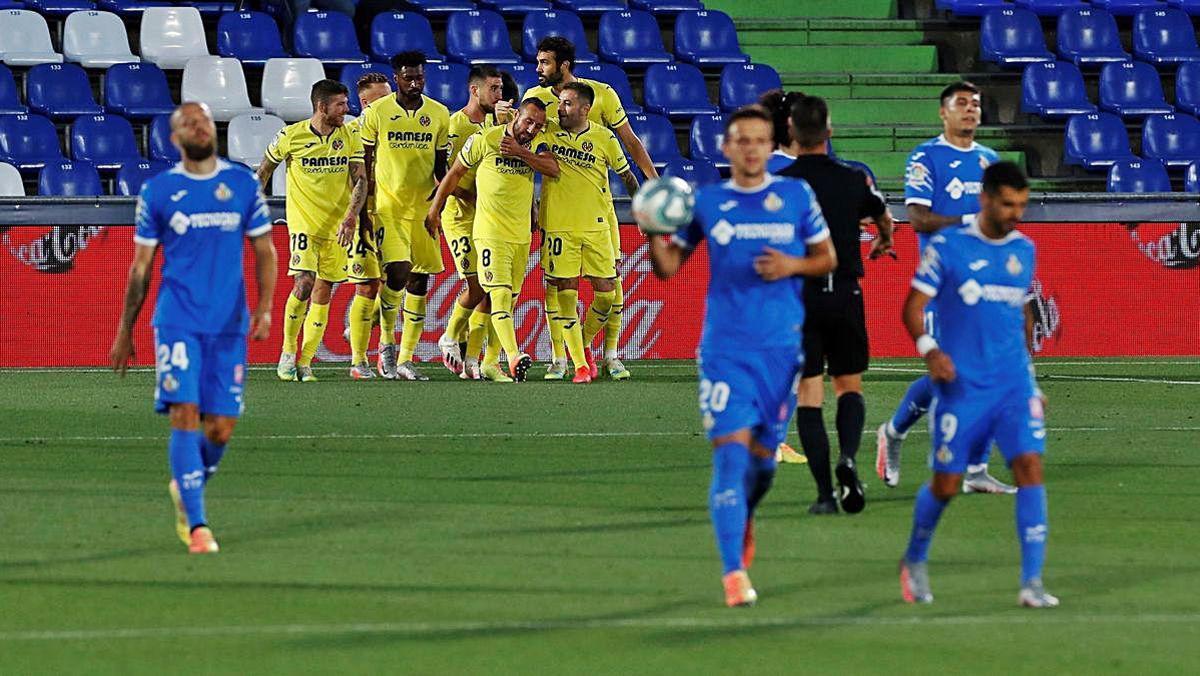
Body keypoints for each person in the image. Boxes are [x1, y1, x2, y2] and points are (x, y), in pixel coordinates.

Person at [646, 107, 837, 607]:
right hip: (725, 351)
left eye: (760, 140)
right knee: (730, 456)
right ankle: (734, 574)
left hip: (781, 351)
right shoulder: (709, 202)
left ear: (771, 147)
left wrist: (792, 263)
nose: (750, 148)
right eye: (741, 140)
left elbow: (827, 258)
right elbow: (668, 267)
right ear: (727, 148)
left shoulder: (795, 196)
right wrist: (650, 230)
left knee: (763, 467)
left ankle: (744, 515)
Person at [109, 102, 277, 554]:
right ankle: (198, 525)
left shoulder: (241, 183)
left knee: (221, 427)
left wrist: (264, 308)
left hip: (229, 323)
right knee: (185, 412)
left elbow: (264, 250)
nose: (198, 126)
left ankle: (186, 485)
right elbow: (140, 268)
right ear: (175, 139)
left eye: (202, 119)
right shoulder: (160, 191)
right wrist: (126, 330)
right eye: (188, 123)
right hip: (178, 320)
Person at [897, 161, 1057, 608]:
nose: (1016, 213)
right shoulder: (948, 247)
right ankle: (914, 558)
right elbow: (912, 307)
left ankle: (1032, 582)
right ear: (985, 199)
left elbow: (1019, 314)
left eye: (1022, 205)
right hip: (962, 387)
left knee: (1029, 467)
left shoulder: (1023, 250)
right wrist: (930, 350)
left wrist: (1031, 379)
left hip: (1012, 386)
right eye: (1008, 204)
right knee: (946, 485)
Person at [877, 81, 1015, 494]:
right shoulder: (926, 157)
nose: (971, 110)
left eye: (975, 104)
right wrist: (969, 224)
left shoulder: (991, 161)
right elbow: (917, 218)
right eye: (962, 104)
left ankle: (975, 470)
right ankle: (894, 431)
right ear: (943, 113)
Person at [776, 95, 895, 515]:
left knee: (809, 393)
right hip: (845, 293)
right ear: (829, 131)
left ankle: (825, 494)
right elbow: (883, 214)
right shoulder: (852, 180)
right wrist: (884, 240)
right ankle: (848, 458)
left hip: (800, 299)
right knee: (848, 386)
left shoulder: (784, 185)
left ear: (791, 132)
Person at [524, 36, 659, 381]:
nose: (538, 69)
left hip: (599, 211)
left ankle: (608, 354)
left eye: (545, 63)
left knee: (612, 287)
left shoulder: (601, 94)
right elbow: (525, 152)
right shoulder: (534, 99)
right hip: (557, 209)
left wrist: (653, 186)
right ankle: (560, 359)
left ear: (564, 65)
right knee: (555, 285)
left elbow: (630, 143)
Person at [426, 99, 560, 382]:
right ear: (516, 116)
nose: (532, 129)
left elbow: (552, 168)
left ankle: (487, 362)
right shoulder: (485, 139)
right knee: (497, 293)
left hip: (521, 235)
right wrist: (435, 210)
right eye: (528, 122)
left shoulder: (535, 145)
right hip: (490, 232)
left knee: (506, 300)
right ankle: (512, 355)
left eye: (537, 125)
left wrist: (521, 153)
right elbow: (454, 174)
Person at [260, 79, 366, 383]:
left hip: (338, 228)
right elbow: (265, 170)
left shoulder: (349, 136)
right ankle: (288, 352)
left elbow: (360, 179)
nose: (347, 110)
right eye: (340, 105)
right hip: (305, 224)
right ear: (322, 107)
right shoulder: (291, 136)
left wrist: (350, 218)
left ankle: (305, 363)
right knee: (304, 283)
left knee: (324, 290)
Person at [540, 82, 641, 383]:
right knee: (564, 294)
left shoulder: (604, 137)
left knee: (607, 295)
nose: (560, 108)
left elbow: (626, 175)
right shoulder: (547, 130)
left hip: (596, 226)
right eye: (560, 102)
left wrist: (643, 207)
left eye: (568, 103)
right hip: (558, 225)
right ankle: (572, 363)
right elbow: (517, 130)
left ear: (585, 109)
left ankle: (582, 344)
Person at [360, 51, 451, 381]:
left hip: (423, 211)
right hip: (389, 209)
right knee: (397, 273)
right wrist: (363, 207)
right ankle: (386, 344)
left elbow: (441, 170)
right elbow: (365, 164)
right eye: (408, 77)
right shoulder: (378, 113)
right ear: (395, 78)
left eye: (420, 77)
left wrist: (439, 208)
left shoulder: (439, 114)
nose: (415, 83)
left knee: (419, 280)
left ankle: (406, 359)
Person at [435, 64, 514, 381]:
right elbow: (444, 176)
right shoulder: (456, 126)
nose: (499, 95)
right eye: (493, 89)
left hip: (492, 220)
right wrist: (473, 198)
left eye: (501, 89)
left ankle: (471, 361)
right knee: (478, 285)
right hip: (460, 218)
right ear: (475, 90)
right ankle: (450, 335)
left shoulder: (500, 124)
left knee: (491, 289)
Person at [343, 72, 394, 380]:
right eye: (382, 100)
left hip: (394, 215)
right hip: (363, 215)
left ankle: (380, 344)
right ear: (364, 103)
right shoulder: (351, 132)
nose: (390, 104)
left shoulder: (395, 127)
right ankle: (359, 360)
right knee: (368, 285)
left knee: (397, 282)